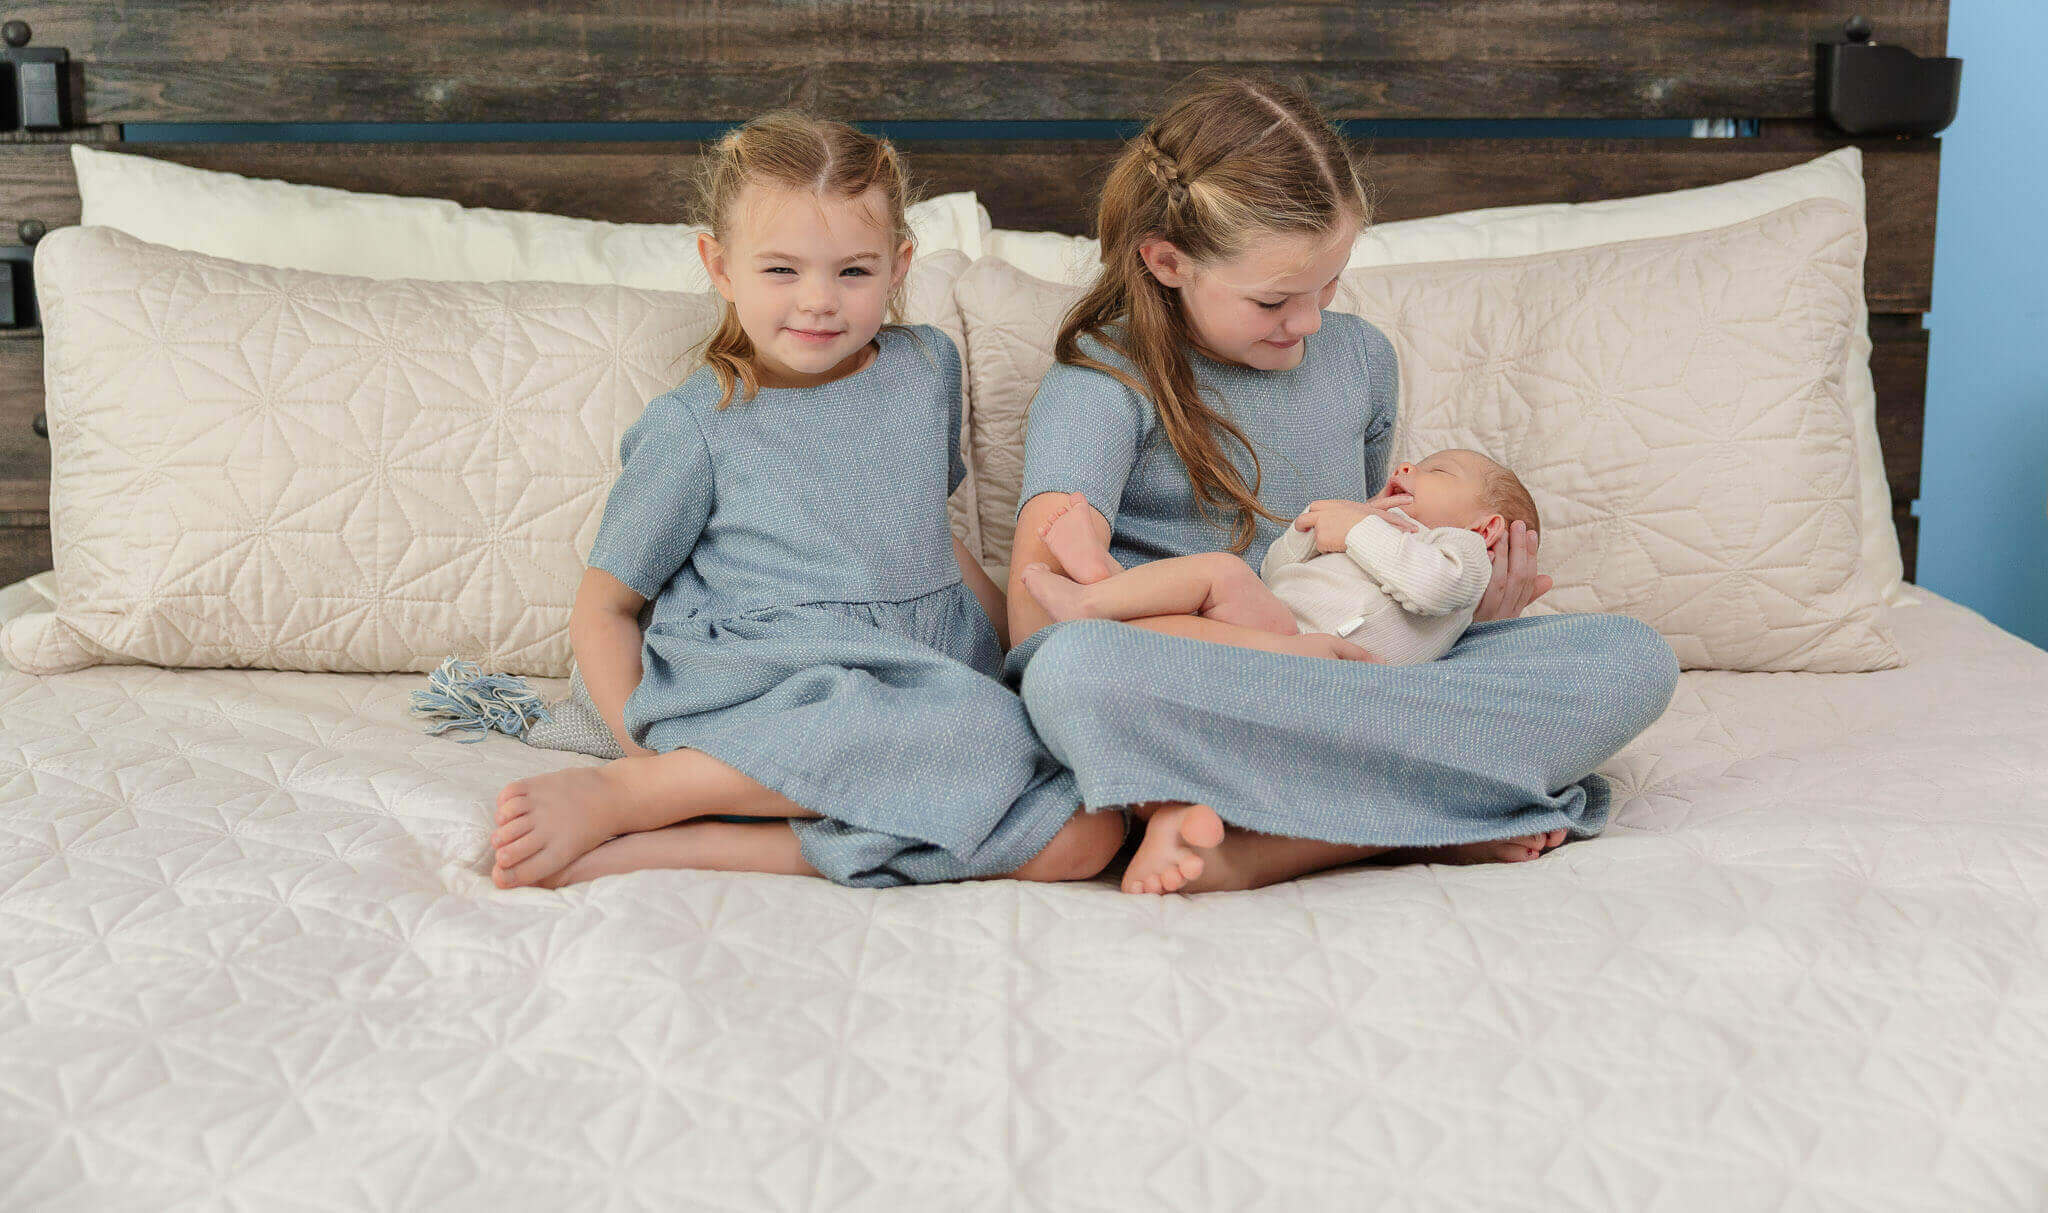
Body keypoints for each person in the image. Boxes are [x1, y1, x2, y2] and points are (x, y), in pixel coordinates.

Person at [1005, 71, 1679, 897]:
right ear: (1167, 261)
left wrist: (1459, 620)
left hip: (1349, 676)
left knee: (1630, 659)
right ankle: (1426, 818)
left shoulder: (1360, 359)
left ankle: (1268, 834)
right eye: (1274, 300)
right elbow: (1035, 622)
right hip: (1204, 676)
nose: (1310, 320)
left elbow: (1362, 581)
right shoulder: (1101, 381)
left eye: (1329, 283)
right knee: (1071, 677)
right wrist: (1278, 652)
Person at [490, 112, 1123, 890]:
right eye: (782, 270)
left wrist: (1023, 651)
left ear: (898, 266)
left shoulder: (926, 369)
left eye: (853, 271)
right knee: (898, 718)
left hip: (915, 685)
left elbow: (923, 532)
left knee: (1086, 832)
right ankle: (642, 795)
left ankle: (700, 838)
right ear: (721, 267)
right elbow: (604, 606)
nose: (819, 300)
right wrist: (642, 755)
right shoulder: (697, 424)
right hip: (771, 684)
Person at [1021, 447, 1533, 669]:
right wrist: (1311, 527)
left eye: (1436, 472)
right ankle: (1104, 583)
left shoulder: (1460, 553)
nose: (1405, 467)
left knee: (1222, 571)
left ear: (1486, 527)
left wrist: (1358, 529)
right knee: (1221, 581)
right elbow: (1277, 574)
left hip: (1325, 658)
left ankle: (1091, 599)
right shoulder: (1378, 532)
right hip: (1281, 625)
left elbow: (1432, 587)